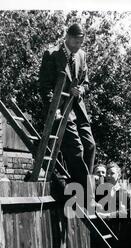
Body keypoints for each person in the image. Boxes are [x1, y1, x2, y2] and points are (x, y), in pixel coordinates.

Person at [39, 23, 96, 207]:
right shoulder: (52, 54)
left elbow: (86, 83)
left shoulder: (82, 55)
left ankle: (76, 186)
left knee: (90, 146)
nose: (78, 45)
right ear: (67, 37)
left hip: (78, 109)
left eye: (81, 42)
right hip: (61, 110)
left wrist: (82, 89)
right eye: (76, 41)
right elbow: (45, 87)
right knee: (76, 149)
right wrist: (52, 108)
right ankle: (86, 197)